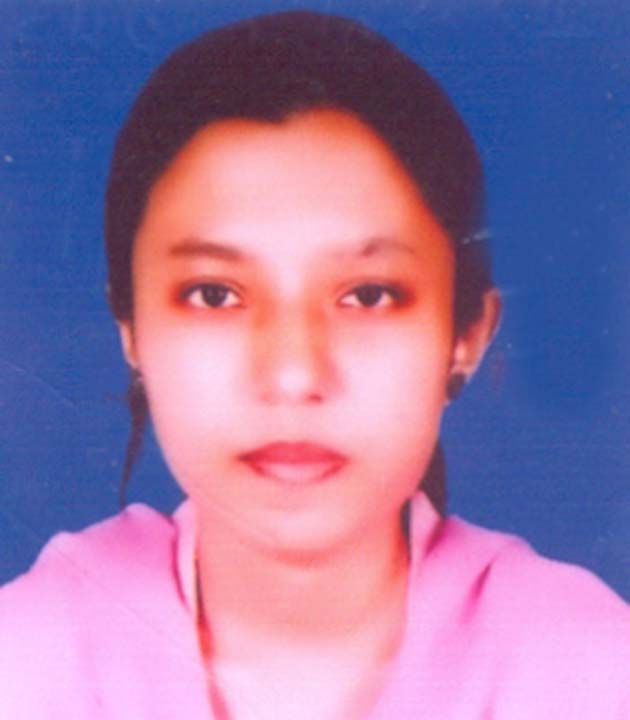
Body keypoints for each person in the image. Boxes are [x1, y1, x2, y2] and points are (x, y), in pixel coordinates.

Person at [0, 10, 628, 719]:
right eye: (215, 294)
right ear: (132, 330)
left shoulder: (590, 669)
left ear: (466, 335)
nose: (294, 375)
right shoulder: (30, 659)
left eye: (368, 295)